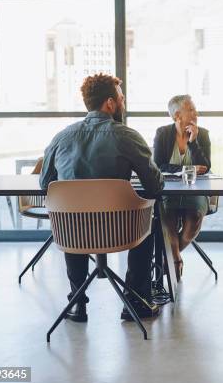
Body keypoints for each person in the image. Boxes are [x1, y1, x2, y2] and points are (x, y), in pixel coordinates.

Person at [40, 73, 164, 323]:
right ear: (110, 103)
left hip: (72, 234)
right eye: (121, 98)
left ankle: (77, 303)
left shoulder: (61, 137)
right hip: (120, 232)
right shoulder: (126, 136)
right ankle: (135, 302)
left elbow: (45, 184)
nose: (123, 103)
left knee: (72, 215)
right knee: (149, 214)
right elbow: (154, 185)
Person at [153, 95, 211, 282]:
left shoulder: (202, 134)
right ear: (177, 115)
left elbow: (205, 166)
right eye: (192, 109)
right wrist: (187, 169)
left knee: (194, 217)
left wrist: (193, 142)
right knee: (166, 215)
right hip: (168, 190)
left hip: (195, 190)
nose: (196, 113)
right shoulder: (163, 133)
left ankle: (169, 256)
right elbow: (158, 165)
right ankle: (176, 260)